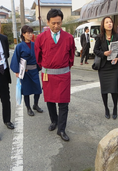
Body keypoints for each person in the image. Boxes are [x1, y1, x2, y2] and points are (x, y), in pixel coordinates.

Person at [34, 9, 75, 142]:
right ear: (48, 22)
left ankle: (61, 129)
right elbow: (38, 57)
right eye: (53, 23)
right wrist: (46, 67)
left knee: (64, 103)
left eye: (59, 23)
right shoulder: (40, 38)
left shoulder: (68, 38)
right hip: (48, 75)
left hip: (63, 75)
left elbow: (71, 57)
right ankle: (54, 121)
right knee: (50, 100)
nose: (56, 26)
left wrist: (63, 68)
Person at [93, 16, 118, 120]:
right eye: (107, 22)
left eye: (110, 22)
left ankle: (115, 108)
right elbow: (95, 50)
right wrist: (103, 53)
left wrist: (117, 58)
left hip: (114, 67)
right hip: (104, 67)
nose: (109, 24)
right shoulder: (100, 37)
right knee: (104, 90)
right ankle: (106, 108)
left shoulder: (117, 36)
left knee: (114, 89)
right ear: (103, 25)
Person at [10, 25, 43, 116]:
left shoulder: (35, 44)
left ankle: (35, 105)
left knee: (38, 90)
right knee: (26, 91)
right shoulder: (19, 46)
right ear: (23, 34)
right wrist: (17, 71)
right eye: (28, 33)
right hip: (25, 72)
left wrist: (40, 66)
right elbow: (15, 59)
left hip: (34, 70)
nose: (30, 34)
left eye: (31, 33)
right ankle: (28, 108)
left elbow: (39, 56)